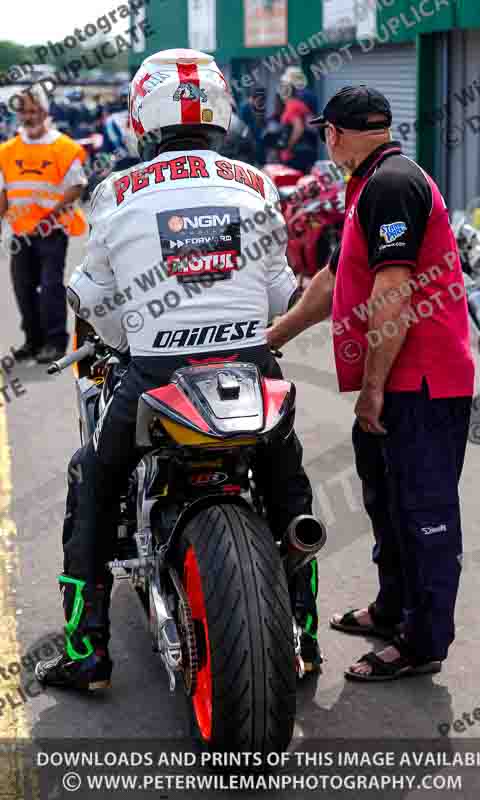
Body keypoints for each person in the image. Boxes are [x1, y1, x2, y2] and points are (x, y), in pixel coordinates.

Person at [35, 48, 321, 692]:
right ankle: (304, 638)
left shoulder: (116, 191)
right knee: (288, 490)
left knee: (92, 479)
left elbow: (91, 299)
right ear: (221, 111)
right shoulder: (258, 183)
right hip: (251, 368)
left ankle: (87, 650)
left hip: (156, 374)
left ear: (142, 115)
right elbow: (282, 294)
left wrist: (130, 335)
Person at [268, 86, 475, 681]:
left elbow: (393, 291)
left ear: (334, 133)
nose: (327, 143)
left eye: (326, 134)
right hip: (401, 381)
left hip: (422, 384)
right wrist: (271, 338)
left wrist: (374, 387)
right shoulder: (369, 187)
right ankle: (392, 610)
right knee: (386, 502)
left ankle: (422, 642)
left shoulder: (392, 184)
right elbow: (332, 281)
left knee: (423, 514)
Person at [0, 85, 88, 364]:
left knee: (50, 287)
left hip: (52, 231)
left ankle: (55, 342)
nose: (30, 116)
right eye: (25, 111)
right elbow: (3, 192)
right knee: (23, 289)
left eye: (35, 110)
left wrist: (50, 217)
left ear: (45, 112)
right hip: (20, 234)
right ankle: (33, 341)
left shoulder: (64, 147)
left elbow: (77, 185)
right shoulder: (7, 151)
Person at [278, 67, 319, 174]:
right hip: (310, 146)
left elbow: (299, 128)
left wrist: (288, 147)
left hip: (297, 151)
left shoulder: (296, 102)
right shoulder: (309, 95)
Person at [239, 87, 267, 166]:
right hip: (250, 139)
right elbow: (244, 125)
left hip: (258, 138)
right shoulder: (245, 107)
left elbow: (261, 122)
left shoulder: (260, 106)